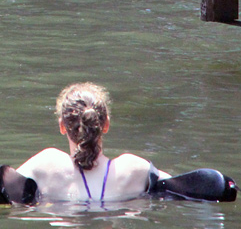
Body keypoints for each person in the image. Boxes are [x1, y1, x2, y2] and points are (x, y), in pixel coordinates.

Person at [14, 82, 170, 203]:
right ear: (106, 124)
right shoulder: (135, 170)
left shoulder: (45, 166)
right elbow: (187, 188)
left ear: (62, 126)